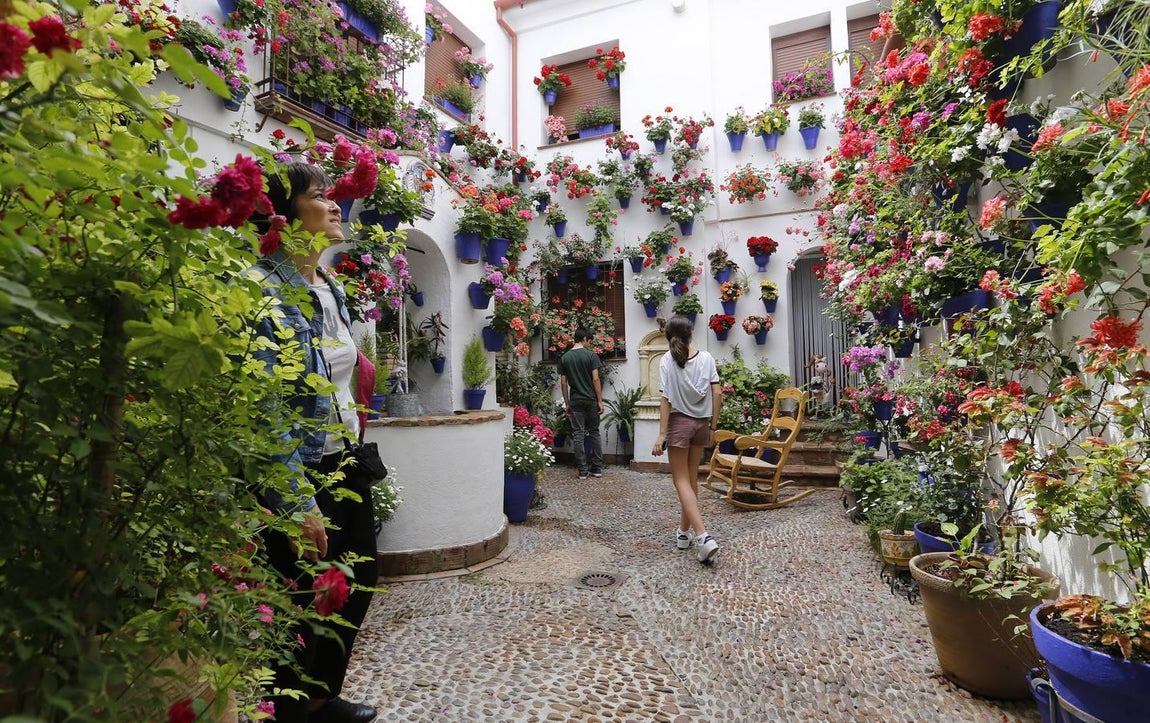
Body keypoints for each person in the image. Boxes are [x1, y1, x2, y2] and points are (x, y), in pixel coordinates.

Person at [250, 162, 378, 723]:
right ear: (285, 212)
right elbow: (265, 409)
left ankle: (319, 698)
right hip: (301, 469)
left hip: (343, 459)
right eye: (319, 196)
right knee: (303, 592)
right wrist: (296, 500)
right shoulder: (266, 294)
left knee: (359, 575)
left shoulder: (330, 289)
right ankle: (295, 708)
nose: (334, 205)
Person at [651, 315, 722, 563]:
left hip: (679, 424)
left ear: (669, 337)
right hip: (702, 424)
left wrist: (662, 434)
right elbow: (717, 392)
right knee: (691, 482)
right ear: (690, 334)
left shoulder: (666, 361)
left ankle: (702, 536)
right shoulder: (707, 358)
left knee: (680, 481)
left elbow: (665, 399)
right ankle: (683, 533)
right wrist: (713, 427)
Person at [558, 327, 604, 479]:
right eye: (589, 341)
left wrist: (567, 403)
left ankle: (583, 470)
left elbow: (564, 384)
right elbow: (595, 379)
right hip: (591, 399)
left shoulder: (565, 358)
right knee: (595, 432)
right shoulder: (591, 356)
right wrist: (600, 400)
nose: (589, 344)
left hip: (576, 400)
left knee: (578, 433)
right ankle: (596, 468)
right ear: (584, 339)